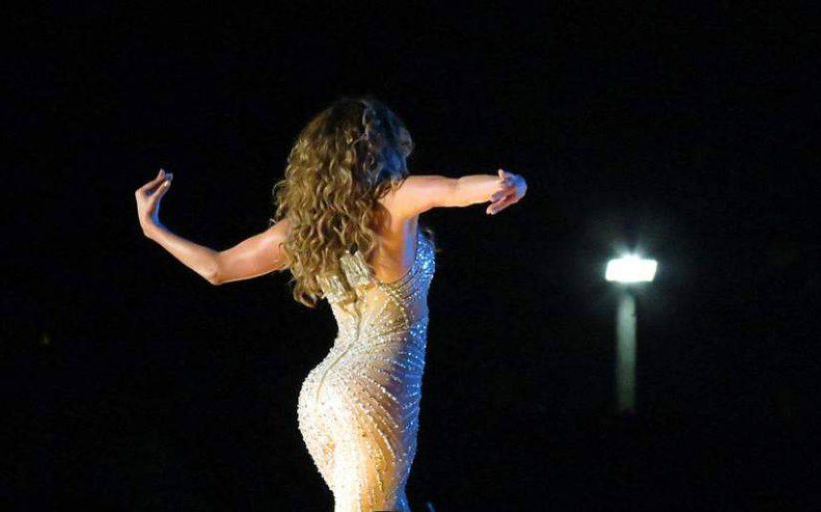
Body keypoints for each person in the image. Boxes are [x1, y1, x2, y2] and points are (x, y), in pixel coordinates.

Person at [133, 95, 528, 511]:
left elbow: (217, 268)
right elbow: (455, 188)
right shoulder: (393, 200)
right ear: (381, 148)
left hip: (322, 396)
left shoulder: (309, 229)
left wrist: (153, 229)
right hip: (373, 389)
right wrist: (507, 184)